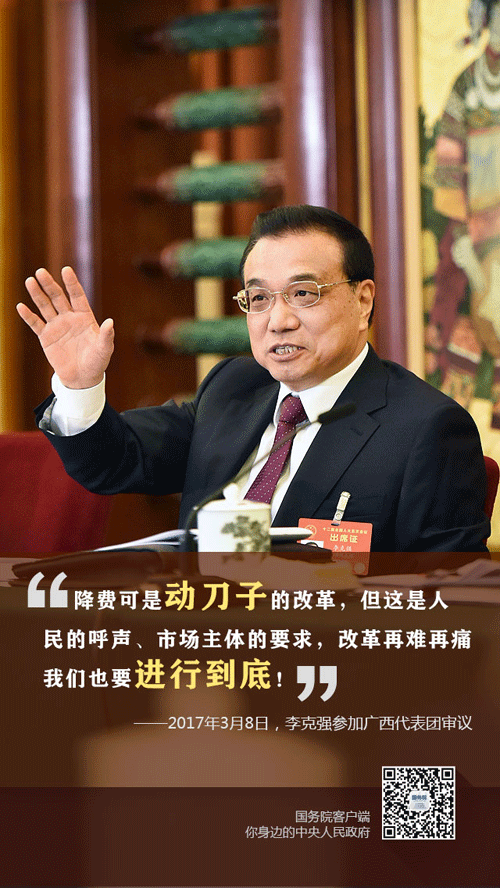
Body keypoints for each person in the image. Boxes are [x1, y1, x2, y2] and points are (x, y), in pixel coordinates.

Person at [17, 205, 489, 551]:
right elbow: (114, 461)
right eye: (259, 299)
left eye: (303, 293)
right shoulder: (234, 388)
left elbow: (442, 605)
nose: (278, 321)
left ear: (363, 300)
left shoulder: (427, 430)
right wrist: (79, 385)